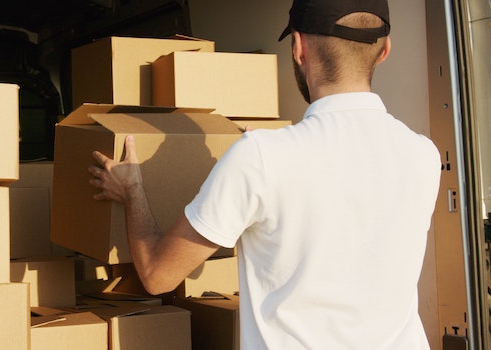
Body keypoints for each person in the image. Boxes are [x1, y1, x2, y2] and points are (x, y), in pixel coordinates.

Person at [87, 0, 442, 348]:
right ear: (384, 50)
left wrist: (131, 190)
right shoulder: (423, 154)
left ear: (298, 46)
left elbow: (157, 276)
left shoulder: (260, 157)